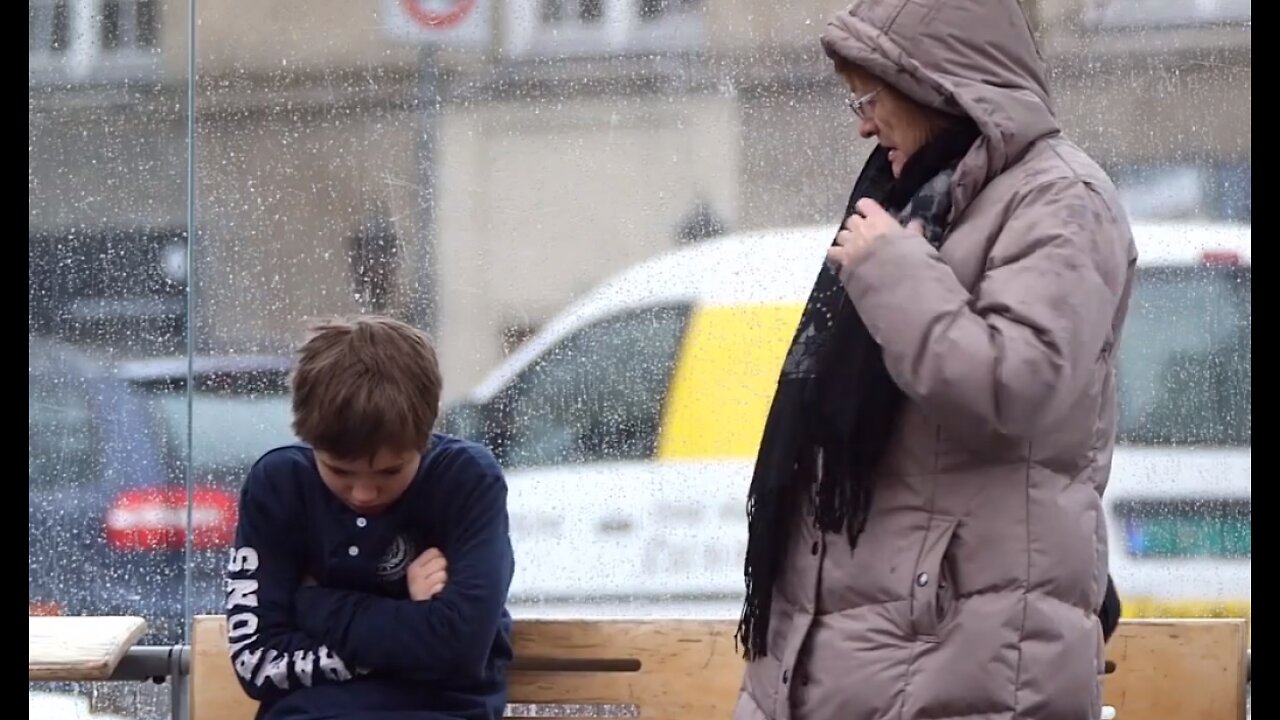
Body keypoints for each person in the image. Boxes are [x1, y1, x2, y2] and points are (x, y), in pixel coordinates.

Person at [733, 1, 1138, 718]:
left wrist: (893, 272)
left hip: (960, 667)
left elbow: (1017, 388)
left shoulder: (1061, 200)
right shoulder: (919, 198)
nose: (861, 123)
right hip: (845, 670)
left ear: (934, 84)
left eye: (871, 97)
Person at [224, 316, 515, 720]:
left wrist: (312, 604)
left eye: (390, 472)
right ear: (309, 443)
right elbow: (258, 664)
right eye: (339, 472)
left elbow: (460, 651)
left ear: (425, 440)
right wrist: (413, 626)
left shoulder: (465, 480)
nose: (363, 493)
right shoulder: (279, 486)